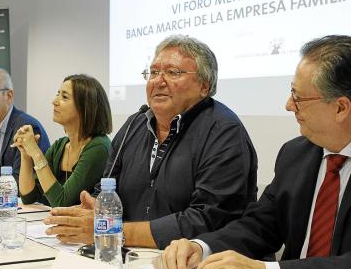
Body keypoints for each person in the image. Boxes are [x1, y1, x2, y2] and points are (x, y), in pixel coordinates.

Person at [43, 34, 258, 249]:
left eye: (173, 72)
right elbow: (108, 187)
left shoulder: (223, 132)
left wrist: (114, 230)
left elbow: (208, 219)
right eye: (153, 72)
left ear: (204, 85)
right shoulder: (134, 124)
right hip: (132, 256)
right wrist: (98, 207)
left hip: (198, 264)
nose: (158, 81)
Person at [162, 35, 351, 269]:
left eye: (298, 97)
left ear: (340, 108)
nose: (288, 105)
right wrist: (201, 247)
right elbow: (260, 224)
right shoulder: (296, 154)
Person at [12, 74, 112, 207]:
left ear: (85, 107)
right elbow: (28, 196)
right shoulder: (60, 146)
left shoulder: (98, 147)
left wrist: (36, 152)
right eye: (57, 94)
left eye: (64, 97)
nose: (54, 101)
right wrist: (25, 153)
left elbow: (62, 202)